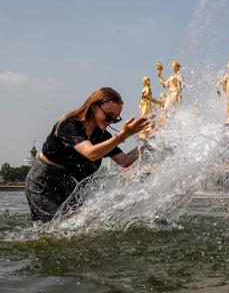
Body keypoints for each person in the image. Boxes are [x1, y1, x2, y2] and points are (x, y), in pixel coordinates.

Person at [25, 87, 151, 222]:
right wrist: (122, 135)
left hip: (69, 183)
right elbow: (91, 154)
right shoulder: (69, 125)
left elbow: (125, 161)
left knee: (80, 226)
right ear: (94, 107)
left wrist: (147, 144)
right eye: (108, 116)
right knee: (58, 227)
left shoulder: (100, 135)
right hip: (44, 181)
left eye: (115, 119)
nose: (110, 121)